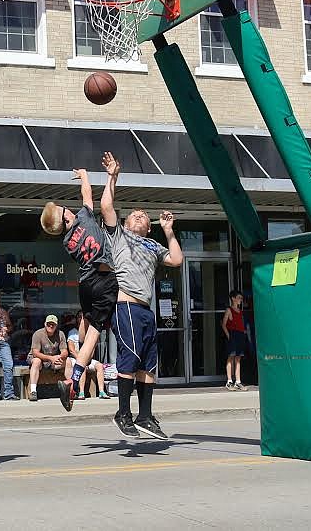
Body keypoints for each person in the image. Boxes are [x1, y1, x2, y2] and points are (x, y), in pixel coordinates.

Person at [102, 153, 184, 440]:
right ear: (126, 224)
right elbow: (106, 205)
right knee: (131, 356)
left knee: (148, 365)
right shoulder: (120, 237)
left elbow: (176, 260)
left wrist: (169, 231)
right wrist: (113, 177)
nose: (138, 216)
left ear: (148, 227)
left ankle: (145, 416)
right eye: (134, 215)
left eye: (143, 216)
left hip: (147, 310)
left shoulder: (151, 243)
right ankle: (122, 412)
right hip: (126, 305)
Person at [40, 167, 118, 412]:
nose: (68, 208)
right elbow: (87, 196)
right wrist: (85, 176)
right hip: (103, 277)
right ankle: (72, 381)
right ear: (65, 217)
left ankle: (82, 347)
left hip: (85, 283)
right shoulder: (84, 218)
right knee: (95, 333)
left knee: (88, 332)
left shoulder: (66, 242)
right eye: (64, 209)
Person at [66, 312, 109, 400]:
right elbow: (71, 350)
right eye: (79, 317)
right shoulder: (72, 332)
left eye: (83, 317)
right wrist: (81, 360)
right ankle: (81, 392)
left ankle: (101, 391)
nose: (82, 319)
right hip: (75, 358)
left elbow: (92, 350)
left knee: (100, 366)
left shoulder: (92, 332)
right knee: (82, 367)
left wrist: (86, 359)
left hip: (88, 359)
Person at [27, 314, 69, 402]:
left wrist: (59, 356)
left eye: (53, 324)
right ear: (45, 324)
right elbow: (35, 352)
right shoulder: (38, 334)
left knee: (68, 361)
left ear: (56, 325)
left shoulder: (60, 334)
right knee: (37, 361)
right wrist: (51, 358)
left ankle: (72, 388)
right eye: (48, 324)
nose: (50, 326)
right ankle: (33, 391)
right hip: (38, 358)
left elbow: (65, 351)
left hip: (53, 360)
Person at [222, 289, 248, 391]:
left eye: (241, 298)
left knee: (238, 358)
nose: (240, 300)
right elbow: (224, 324)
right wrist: (228, 335)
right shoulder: (229, 310)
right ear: (233, 298)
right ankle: (229, 381)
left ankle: (238, 381)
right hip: (233, 334)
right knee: (231, 357)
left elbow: (241, 323)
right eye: (238, 298)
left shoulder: (240, 311)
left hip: (240, 335)